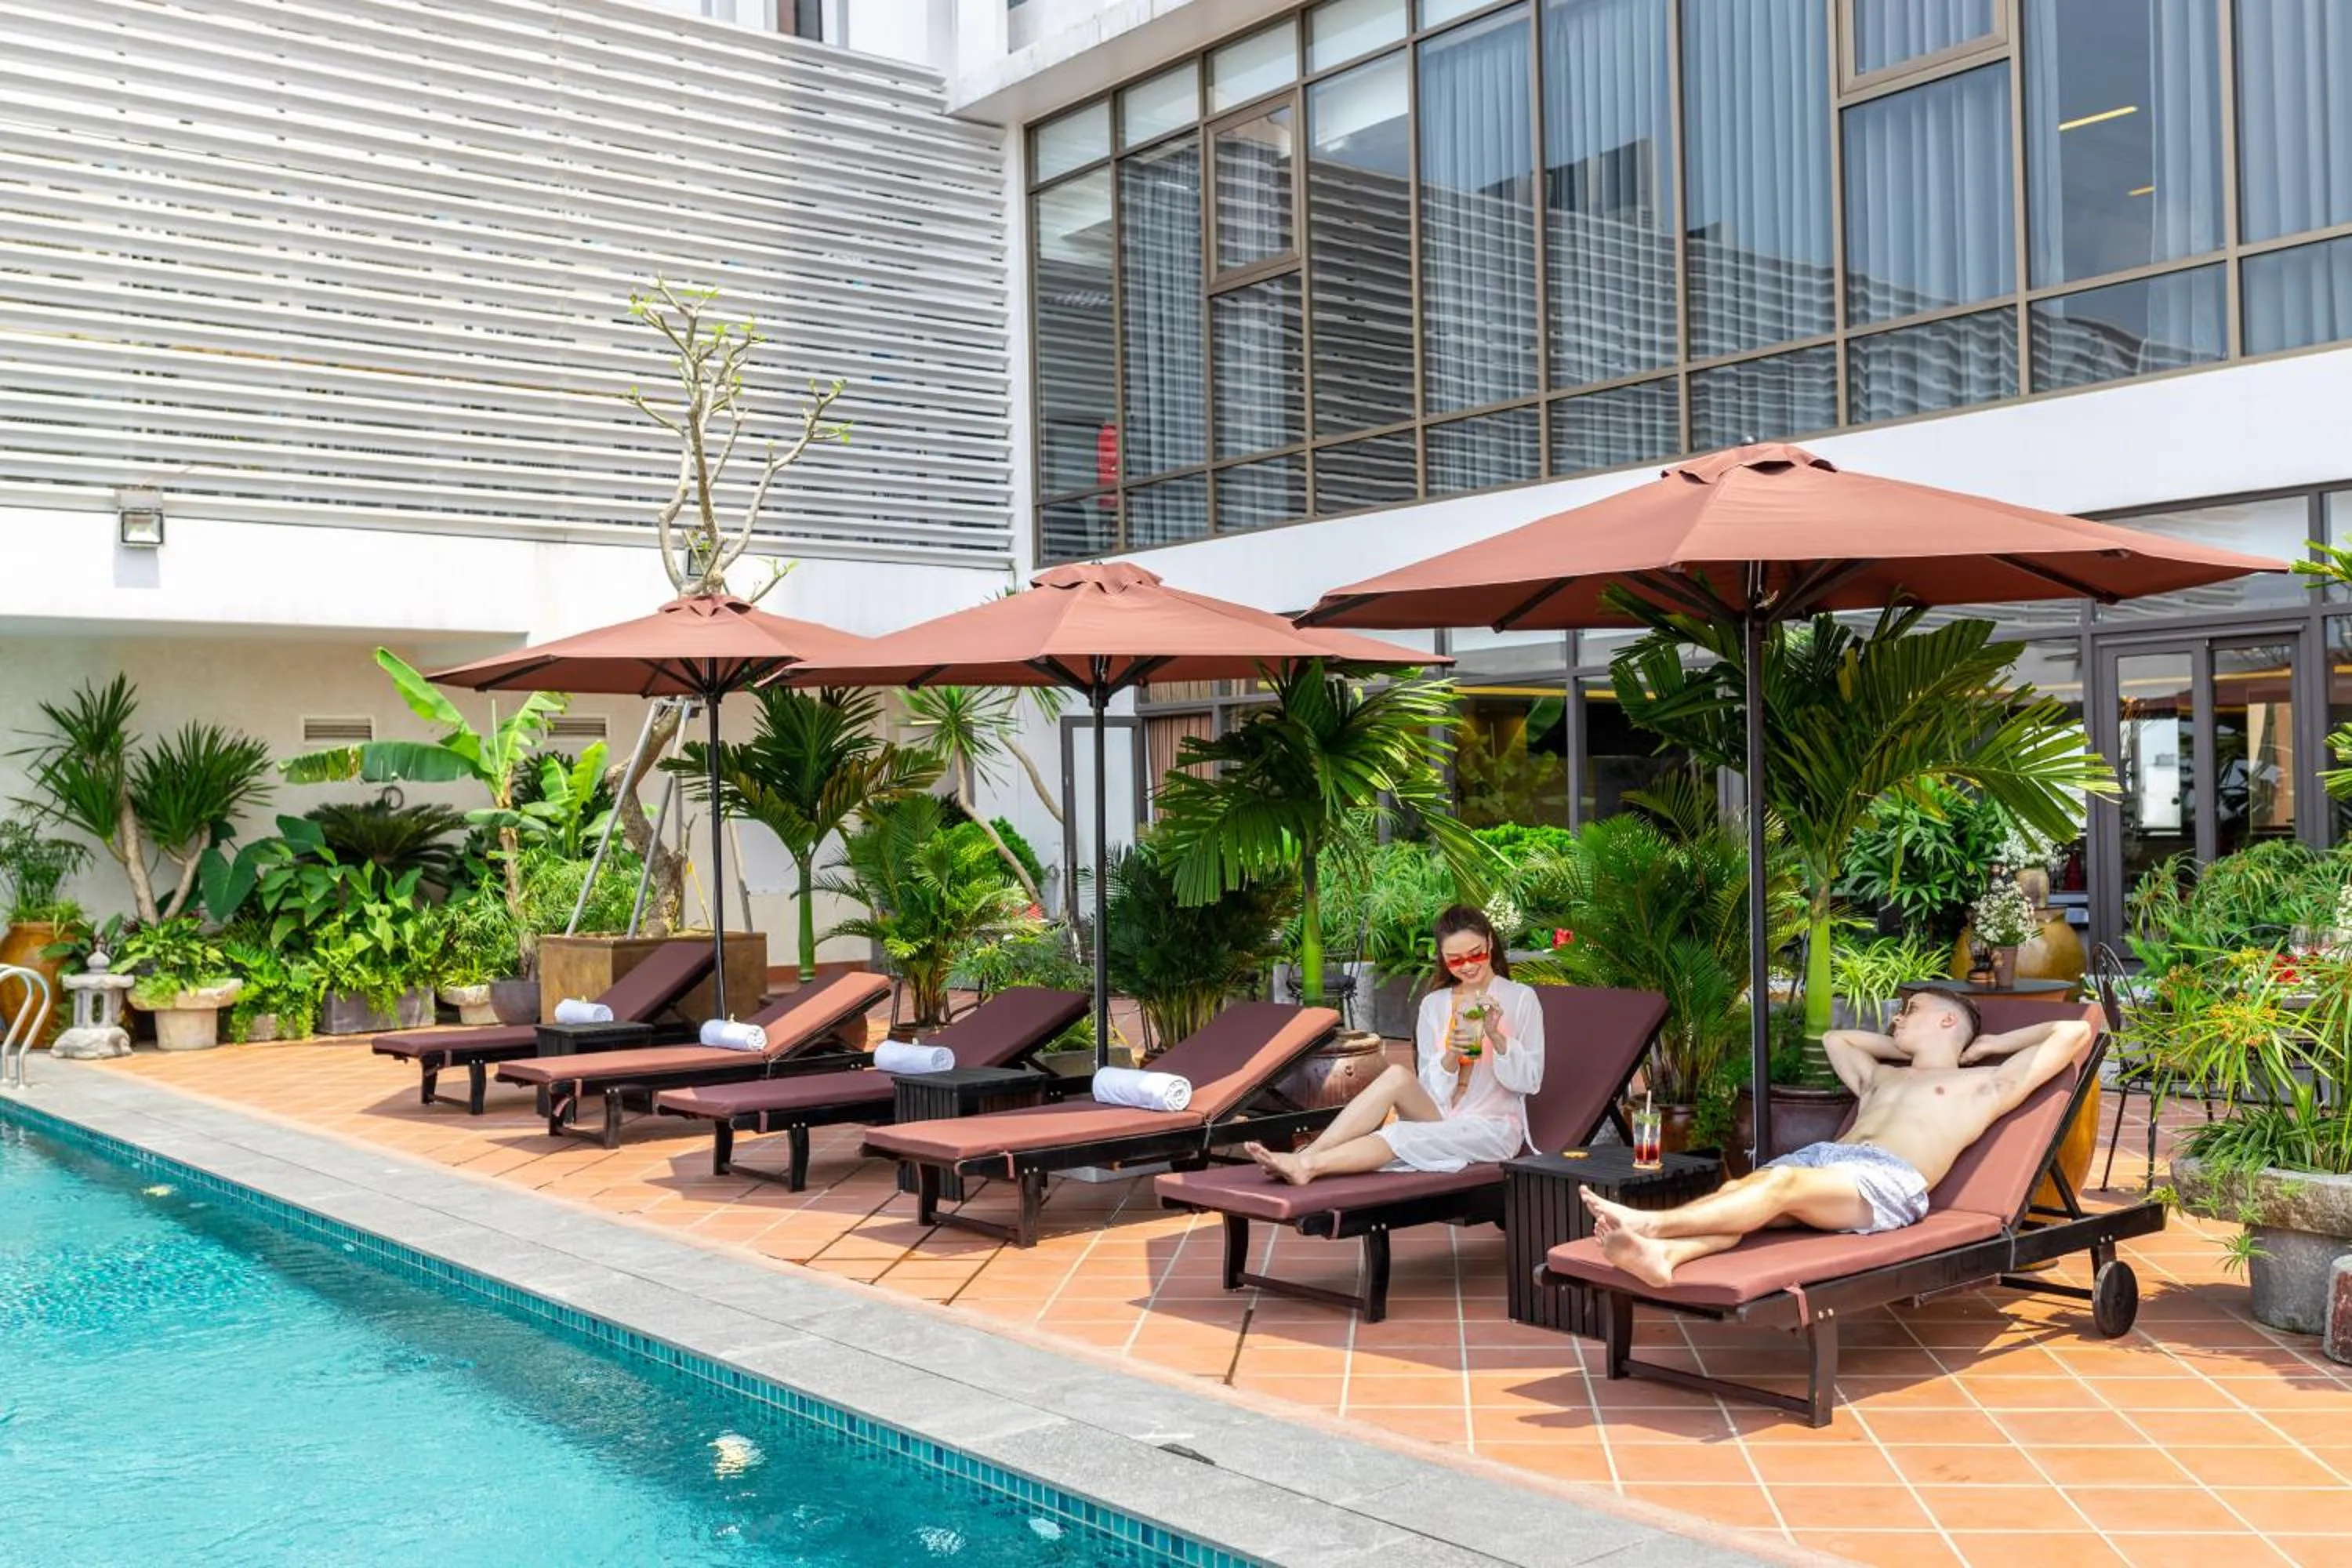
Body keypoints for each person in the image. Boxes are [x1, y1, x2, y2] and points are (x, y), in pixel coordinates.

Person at [1582, 990, 2094, 1287]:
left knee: (1777, 1182)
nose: (1897, 1015)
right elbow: (1836, 1039)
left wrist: (1990, 1045)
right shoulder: (1880, 1078)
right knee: (1742, 1200)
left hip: (1889, 1179)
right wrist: (1906, 1050)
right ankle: (1668, 1258)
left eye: (1911, 1008)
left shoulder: (1982, 1085)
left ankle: (1654, 1225)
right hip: (1830, 1162)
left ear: (1947, 1020)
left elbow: (2074, 1034)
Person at [1244, 905, 1544, 1185]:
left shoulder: (1520, 999)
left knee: (1401, 1133)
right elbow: (1431, 1086)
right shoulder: (1435, 1005)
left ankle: (1309, 1166)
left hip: (1490, 1126)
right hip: (1440, 1111)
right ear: (1442, 958)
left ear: (1490, 943)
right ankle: (1307, 1155)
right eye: (1455, 959)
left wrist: (1497, 1036)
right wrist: (1451, 1055)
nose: (1467, 966)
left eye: (1475, 954)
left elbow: (1530, 1082)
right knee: (1396, 1076)